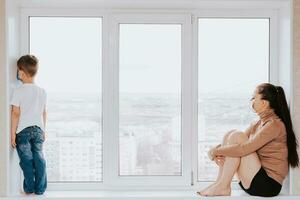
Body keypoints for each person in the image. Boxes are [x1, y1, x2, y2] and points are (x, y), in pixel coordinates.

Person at [197, 83, 299, 197]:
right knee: (230, 135)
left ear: (264, 103)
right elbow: (235, 144)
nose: (252, 102)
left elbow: (243, 149)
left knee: (237, 135)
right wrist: (217, 149)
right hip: (253, 180)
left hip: (268, 185)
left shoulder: (274, 125)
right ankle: (220, 184)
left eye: (254, 98)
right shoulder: (258, 123)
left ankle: (223, 186)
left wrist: (215, 151)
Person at [10, 55, 47, 195]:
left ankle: (29, 188)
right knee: (39, 158)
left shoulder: (18, 91)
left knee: (27, 160)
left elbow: (15, 114)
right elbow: (44, 112)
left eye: (18, 70)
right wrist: (44, 130)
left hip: (23, 131)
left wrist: (12, 134)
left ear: (23, 73)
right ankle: (40, 189)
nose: (18, 73)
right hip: (38, 130)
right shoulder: (42, 91)